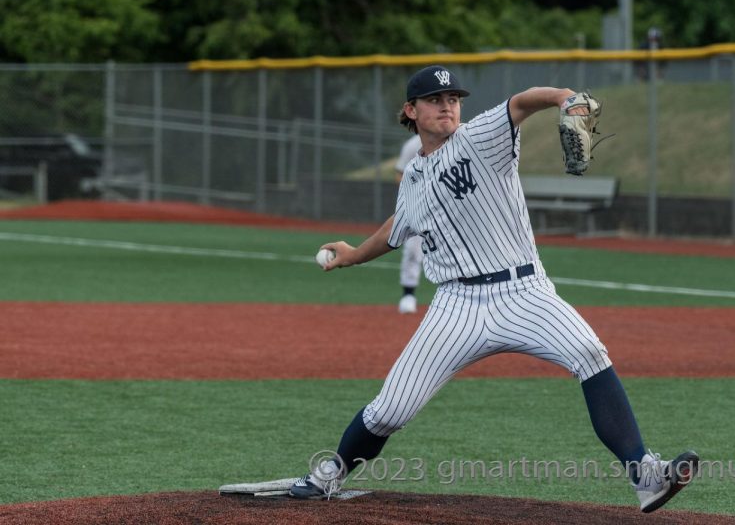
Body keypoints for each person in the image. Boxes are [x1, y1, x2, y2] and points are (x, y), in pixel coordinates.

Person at [291, 65, 698, 513]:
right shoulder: (413, 176)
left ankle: (646, 476)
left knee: (589, 352)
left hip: (525, 291)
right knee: (390, 410)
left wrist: (565, 97)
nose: (447, 105)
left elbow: (523, 102)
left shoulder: (479, 136)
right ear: (411, 110)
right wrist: (352, 254)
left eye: (453, 98)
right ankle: (327, 475)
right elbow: (398, 226)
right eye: (434, 99)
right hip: (456, 305)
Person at [394, 134, 424, 314]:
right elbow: (399, 174)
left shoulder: (457, 139)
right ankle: (408, 294)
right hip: (420, 207)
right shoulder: (413, 145)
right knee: (413, 249)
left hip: (454, 207)